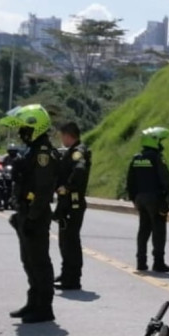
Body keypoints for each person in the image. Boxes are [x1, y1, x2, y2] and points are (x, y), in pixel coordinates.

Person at [0, 104, 60, 323]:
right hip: (27, 212)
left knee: (39, 262)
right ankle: (33, 302)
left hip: (37, 214)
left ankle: (44, 308)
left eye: (24, 129)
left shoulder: (43, 152)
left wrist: (33, 217)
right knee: (28, 261)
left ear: (35, 127)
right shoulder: (32, 150)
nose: (21, 134)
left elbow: (43, 190)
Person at [126, 126, 169, 273]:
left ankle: (141, 262)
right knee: (159, 230)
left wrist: (133, 199)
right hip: (155, 199)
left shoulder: (136, 159)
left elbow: (130, 181)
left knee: (143, 230)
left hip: (140, 199)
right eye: (160, 140)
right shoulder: (156, 158)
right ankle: (158, 262)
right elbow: (165, 178)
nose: (162, 144)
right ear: (154, 141)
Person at [53, 121, 91, 290]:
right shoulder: (71, 151)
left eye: (62, 136)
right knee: (64, 240)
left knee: (71, 241)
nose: (62, 139)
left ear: (69, 136)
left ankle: (73, 278)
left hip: (73, 203)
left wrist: (66, 187)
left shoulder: (78, 152)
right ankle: (66, 272)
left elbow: (80, 171)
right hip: (67, 203)